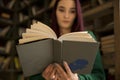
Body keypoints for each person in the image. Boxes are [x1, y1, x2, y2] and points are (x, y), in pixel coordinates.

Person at [30, 0, 106, 80]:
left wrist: (78, 79)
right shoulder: (43, 39)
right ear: (55, 12)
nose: (66, 16)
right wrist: (44, 77)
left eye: (72, 11)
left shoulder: (88, 38)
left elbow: (100, 77)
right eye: (61, 10)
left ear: (77, 14)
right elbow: (33, 78)